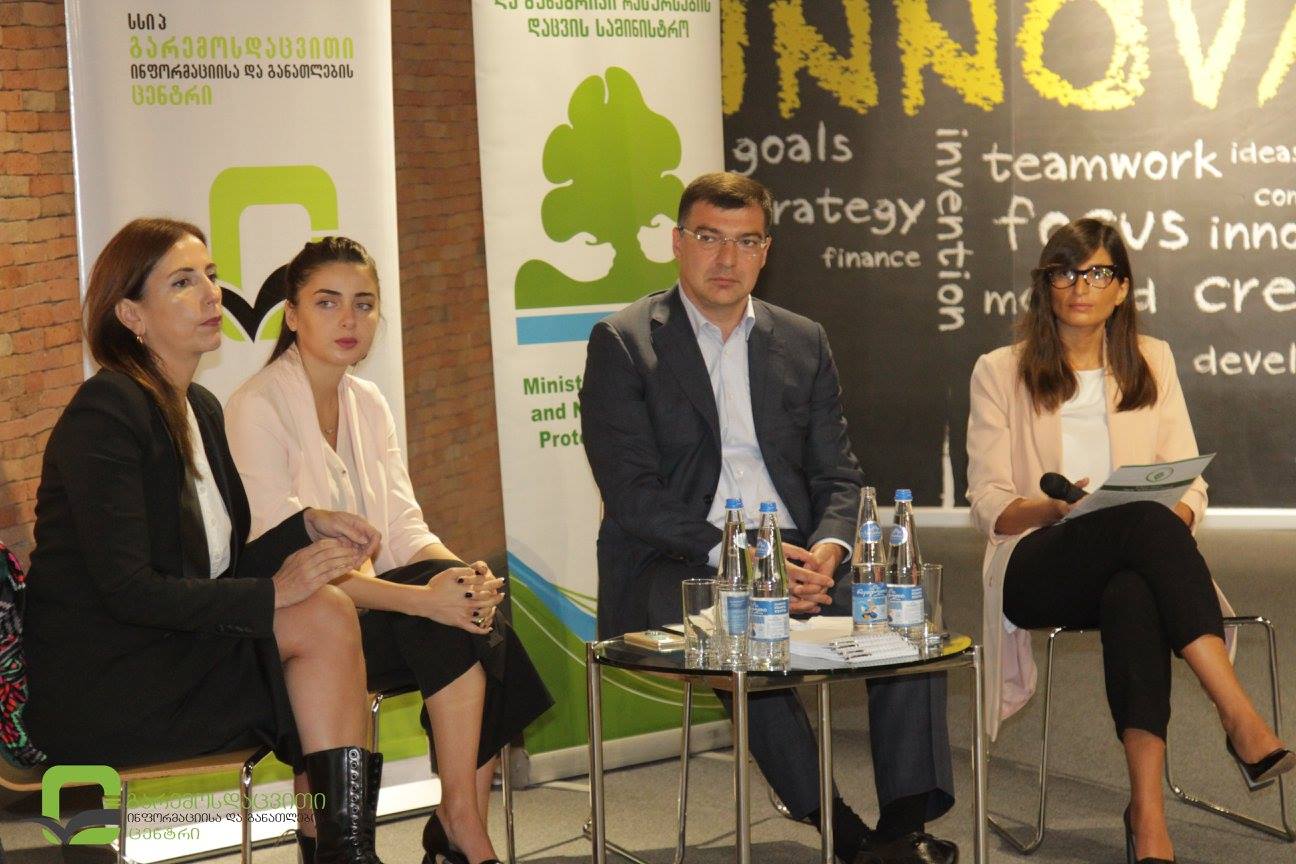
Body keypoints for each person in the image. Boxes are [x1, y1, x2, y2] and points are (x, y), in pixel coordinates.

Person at [579, 172, 957, 864]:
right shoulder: (626, 341)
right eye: (709, 238)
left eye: (746, 241)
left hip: (799, 553)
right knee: (747, 619)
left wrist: (830, 552)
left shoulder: (802, 340)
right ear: (677, 243)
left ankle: (903, 828)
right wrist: (745, 558)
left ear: (766, 250)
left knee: (905, 610)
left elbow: (838, 475)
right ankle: (842, 832)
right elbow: (633, 496)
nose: (727, 259)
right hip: (682, 562)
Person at [24, 218, 389, 864]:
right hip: (113, 679)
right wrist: (273, 593)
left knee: (328, 613)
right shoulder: (104, 414)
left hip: (178, 650)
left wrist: (307, 526)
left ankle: (342, 849)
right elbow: (130, 591)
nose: (211, 294)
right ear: (131, 315)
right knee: (323, 622)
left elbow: (222, 565)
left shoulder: (201, 407)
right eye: (183, 282)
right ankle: (341, 852)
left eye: (212, 277)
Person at [966, 218, 1293, 864]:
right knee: (1140, 523)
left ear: (1121, 289)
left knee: (1135, 590)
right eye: (1065, 272)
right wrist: (1057, 507)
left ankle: (1147, 817)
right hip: (1037, 561)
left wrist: (1169, 518)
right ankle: (1239, 717)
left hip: (1136, 556)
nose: (1080, 286)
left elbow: (1190, 483)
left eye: (1097, 273)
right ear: (1046, 284)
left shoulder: (1152, 359)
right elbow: (988, 504)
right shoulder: (999, 370)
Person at [226, 237, 552, 864]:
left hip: (370, 611)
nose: (349, 319)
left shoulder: (368, 403)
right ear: (292, 314)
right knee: (445, 617)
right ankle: (456, 828)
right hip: (296, 625)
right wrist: (426, 599)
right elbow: (292, 568)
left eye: (364, 304)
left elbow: (403, 527)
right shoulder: (256, 407)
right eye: (327, 302)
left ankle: (461, 819)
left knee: (465, 610)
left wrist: (461, 578)